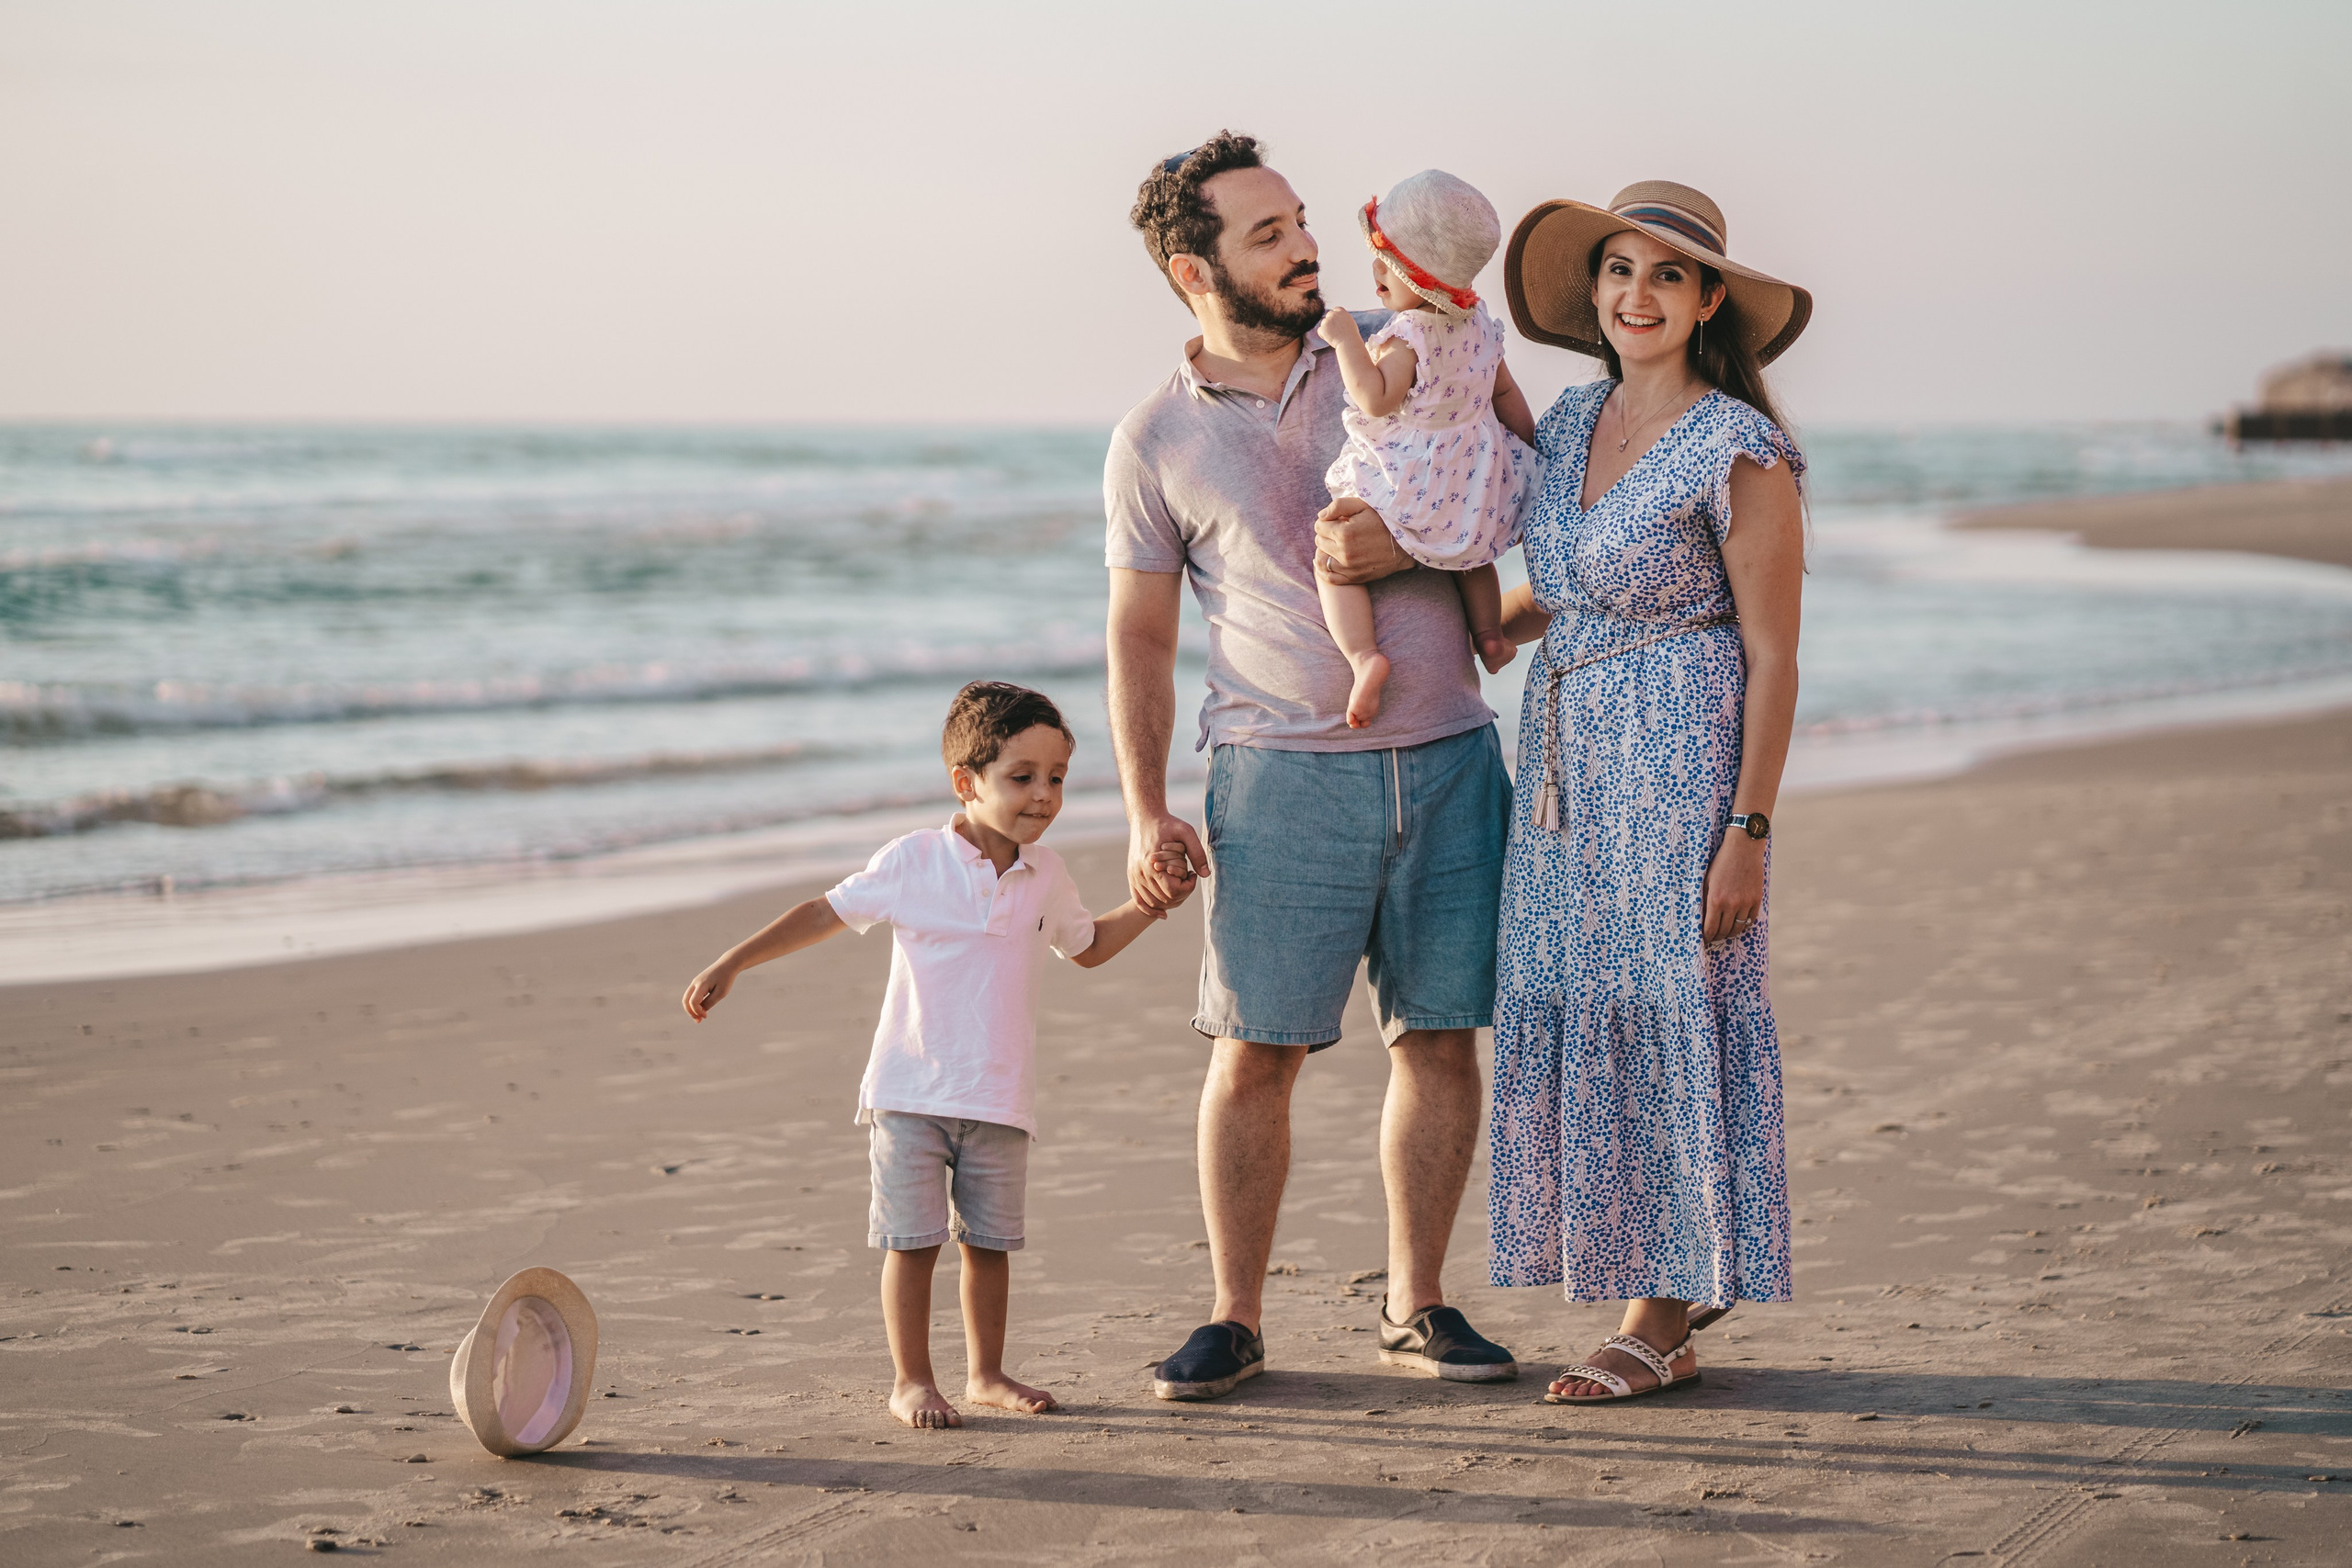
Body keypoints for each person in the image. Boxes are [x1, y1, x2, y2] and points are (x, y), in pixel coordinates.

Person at [1107, 131, 1519, 1401]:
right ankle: (1234, 1317)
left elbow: (1518, 480)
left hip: (1450, 754)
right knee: (1255, 1050)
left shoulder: (1408, 345)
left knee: (1440, 1039)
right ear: (1195, 270)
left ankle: (1416, 1301)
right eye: (1268, 234)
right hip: (1278, 773)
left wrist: (1417, 552)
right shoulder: (1154, 437)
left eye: (1299, 221)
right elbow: (1140, 633)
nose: (1305, 247)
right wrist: (1143, 807)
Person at [1482, 181, 1811, 1402]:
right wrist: (1432, 605)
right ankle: (1655, 1282)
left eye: (1669, 275)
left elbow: (1774, 654)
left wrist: (1748, 829)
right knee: (1588, 1000)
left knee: (1668, 1000)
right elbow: (1558, 588)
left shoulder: (1738, 444)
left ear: (1709, 300)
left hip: (1680, 760)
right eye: (1620, 269)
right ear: (1594, 290)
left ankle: (1660, 1317)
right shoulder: (1569, 421)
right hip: (1565, 764)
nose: (1639, 294)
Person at [679, 682, 1192, 1428]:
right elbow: (824, 911)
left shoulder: (1048, 873)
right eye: (1022, 776)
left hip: (1000, 1098)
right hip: (910, 1093)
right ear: (966, 782)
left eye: (1056, 777)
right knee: (913, 1245)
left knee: (990, 1247)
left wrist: (1150, 903)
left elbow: (1085, 946)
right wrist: (734, 961)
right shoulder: (914, 860)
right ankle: (912, 1380)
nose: (1044, 795)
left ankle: (986, 1373)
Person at [1316, 168, 1538, 728]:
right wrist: (1526, 449)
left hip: (1412, 472)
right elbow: (1504, 393)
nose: (1376, 274)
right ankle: (1489, 636)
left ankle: (1364, 658)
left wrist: (1345, 341)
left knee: (1333, 560)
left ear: (1423, 275)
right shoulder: (1481, 325)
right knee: (1471, 552)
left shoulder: (1408, 335)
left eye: (1388, 264)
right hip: (1470, 470)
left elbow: (1375, 398)